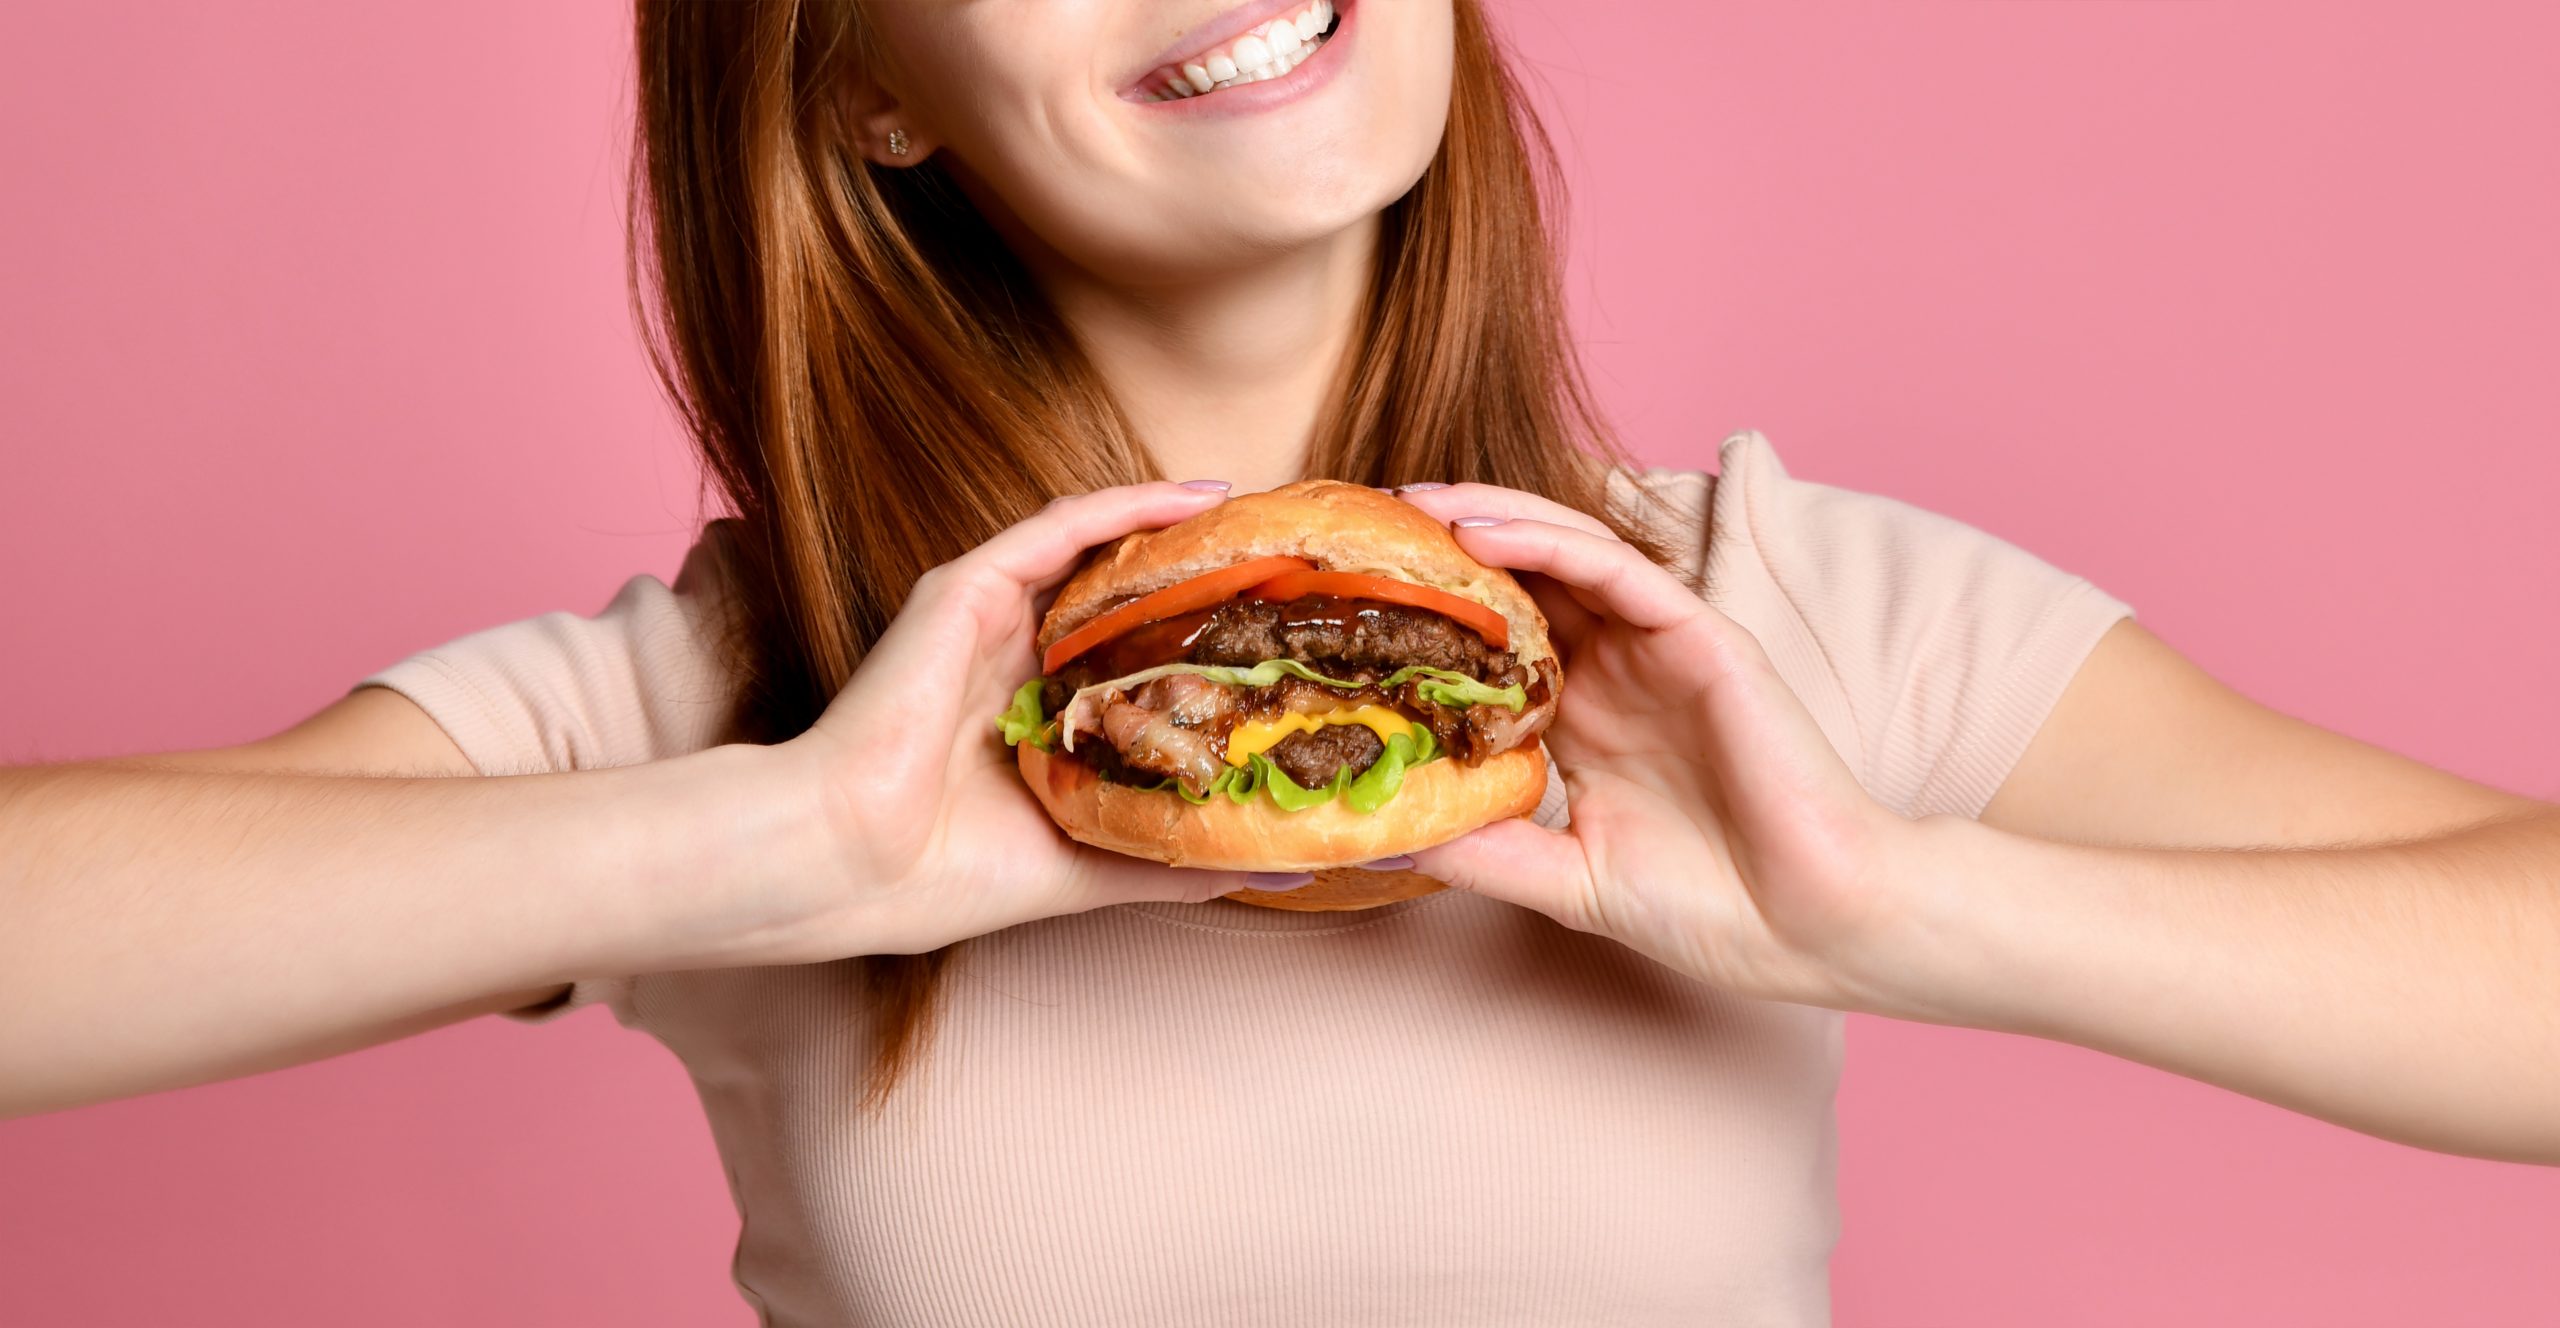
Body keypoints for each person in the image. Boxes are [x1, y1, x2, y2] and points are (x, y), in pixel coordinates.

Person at [3, 1, 2553, 1323]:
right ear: (866, 89)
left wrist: (1894, 904)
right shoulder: (751, 696)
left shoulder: (1759, 617)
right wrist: (783, 837)